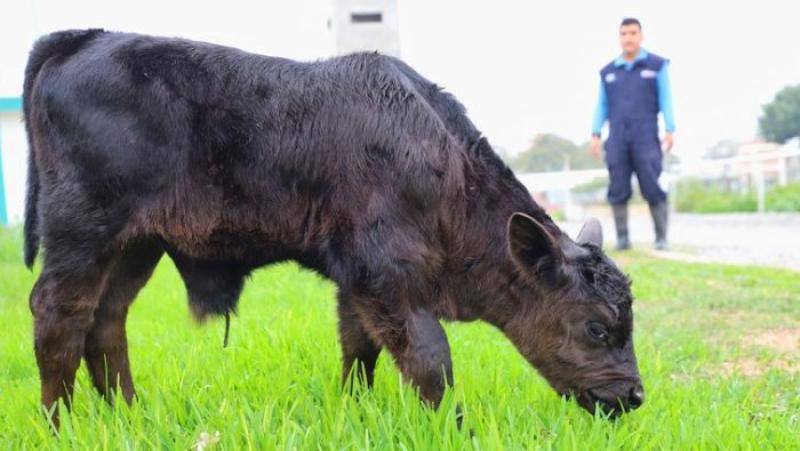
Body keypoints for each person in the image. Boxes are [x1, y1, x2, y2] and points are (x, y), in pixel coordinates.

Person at [590, 17, 675, 250]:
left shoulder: (657, 66)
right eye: (624, 33)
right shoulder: (608, 72)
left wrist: (670, 128)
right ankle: (623, 239)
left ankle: (661, 238)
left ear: (641, 36)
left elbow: (666, 98)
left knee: (652, 184)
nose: (628, 38)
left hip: (646, 134)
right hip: (617, 136)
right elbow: (602, 105)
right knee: (617, 186)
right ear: (619, 37)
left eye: (633, 33)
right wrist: (596, 133)